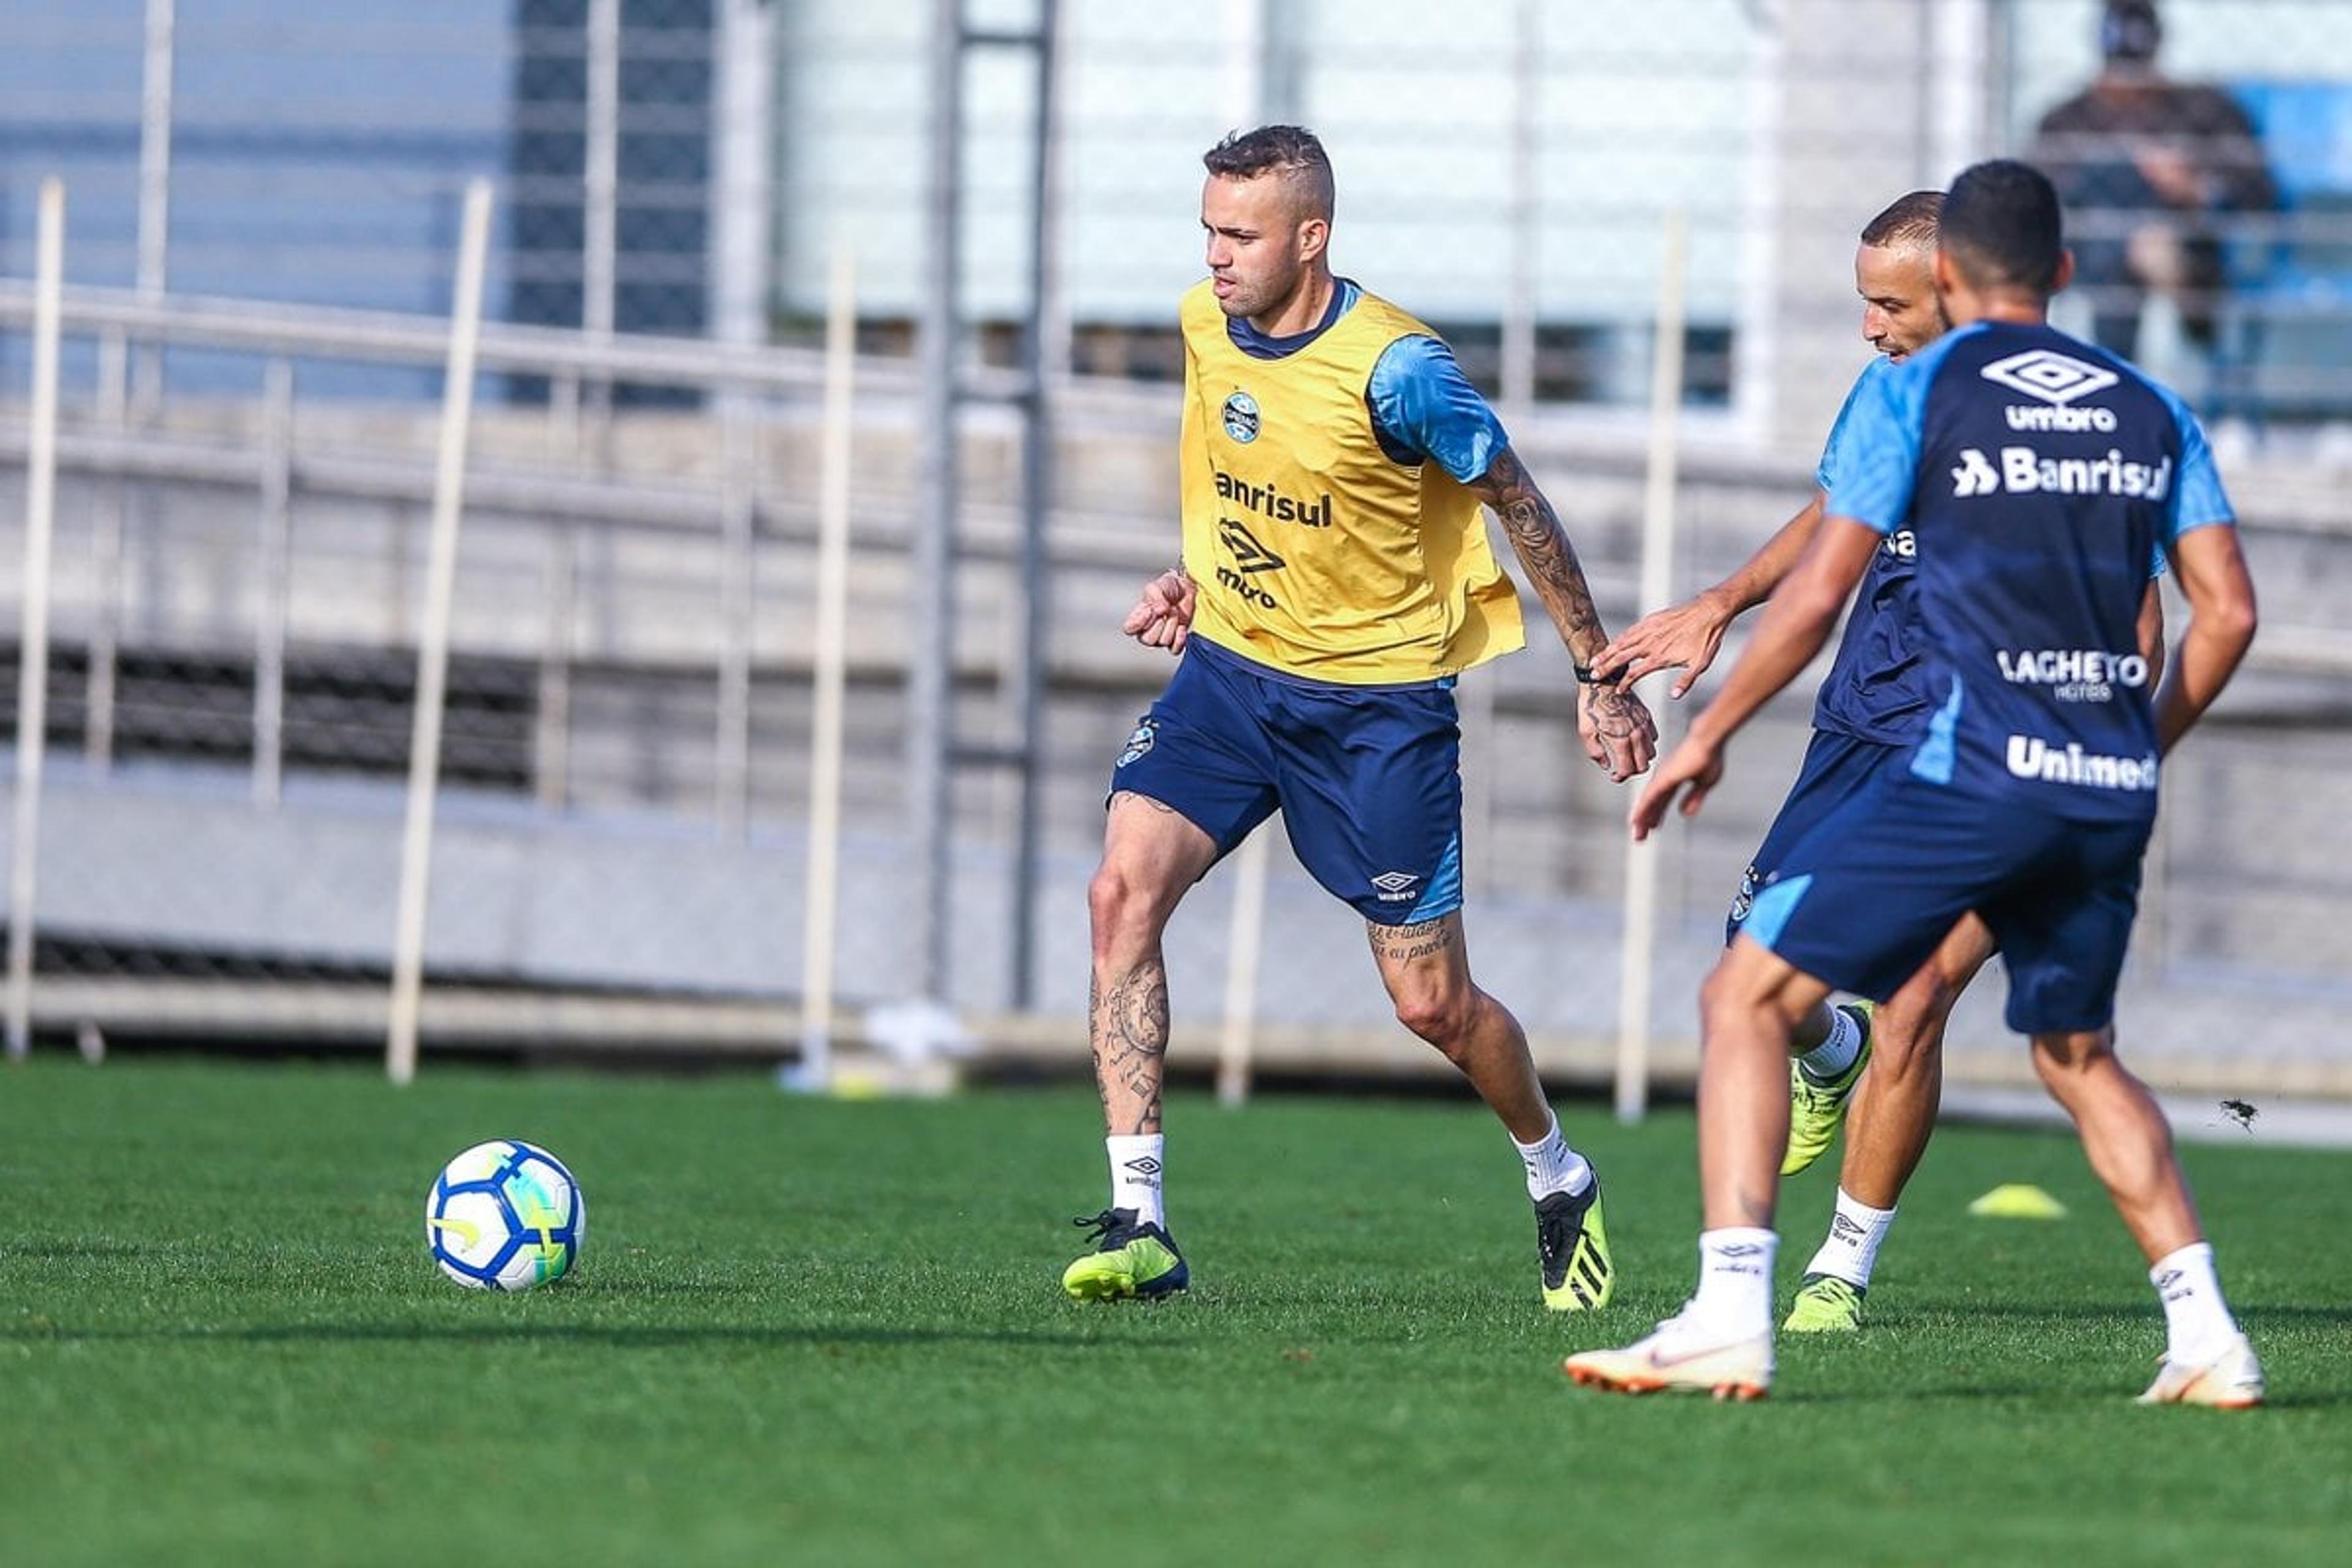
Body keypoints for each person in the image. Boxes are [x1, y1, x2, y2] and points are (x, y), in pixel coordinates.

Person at [1564, 159, 2262, 1404]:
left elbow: (1826, 586)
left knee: (1746, 995)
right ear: (2060, 268)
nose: (1875, 326)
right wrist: (2137, 742)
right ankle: (2208, 1334)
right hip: (2096, 775)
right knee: (2077, 1051)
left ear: (1949, 274)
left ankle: (1738, 1304)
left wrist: (1713, 729)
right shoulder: (2149, 407)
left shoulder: (1932, 395)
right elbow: (2227, 614)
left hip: (1971, 763)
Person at [1064, 124, 1658, 1310]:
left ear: (1312, 236)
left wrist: (1601, 675)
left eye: (1241, 235)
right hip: (1232, 681)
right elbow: (1240, 475)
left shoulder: (1402, 370)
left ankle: (1557, 1171)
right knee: (1120, 893)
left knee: (1432, 1006)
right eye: (1208, 232)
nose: (1217, 258)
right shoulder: (1202, 324)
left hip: (1376, 713)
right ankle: (1142, 1221)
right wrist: (1204, 576)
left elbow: (1518, 505)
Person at [2031, 0, 2277, 362]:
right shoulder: (2068, 119)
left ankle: (2123, 373)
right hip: (2092, 255)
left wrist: (2197, 188)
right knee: (2109, 193)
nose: (2128, 89)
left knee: (2142, 237)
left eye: (2138, 73)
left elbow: (2261, 193)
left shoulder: (2202, 111)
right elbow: (2038, 201)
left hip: (2185, 246)